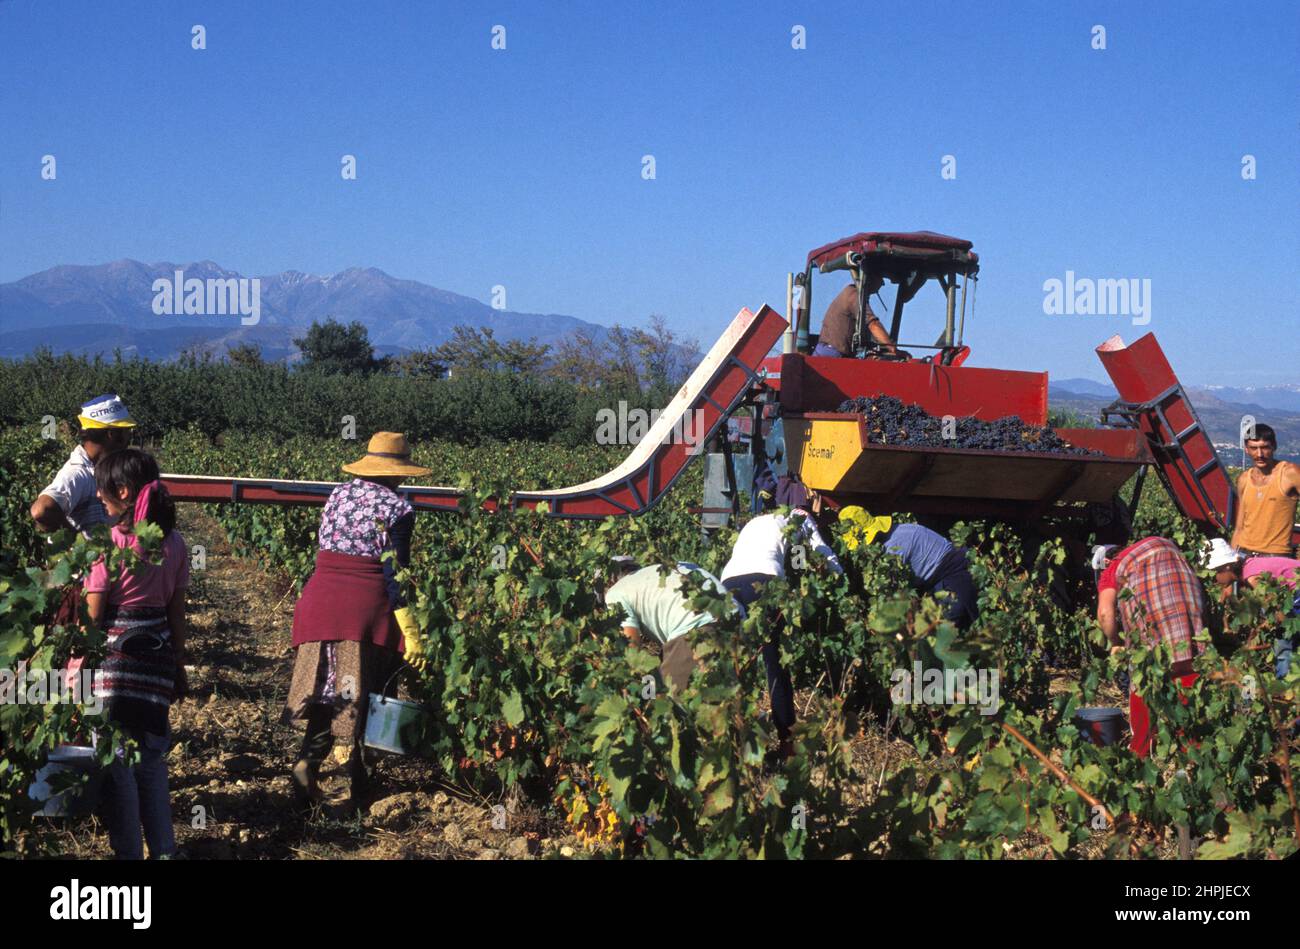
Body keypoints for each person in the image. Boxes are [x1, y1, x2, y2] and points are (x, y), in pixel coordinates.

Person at [284, 432, 428, 810]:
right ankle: (362, 788)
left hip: (319, 600)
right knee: (368, 692)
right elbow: (395, 574)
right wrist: (410, 631)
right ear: (398, 473)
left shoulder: (338, 494)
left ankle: (308, 764)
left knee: (328, 691)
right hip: (362, 608)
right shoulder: (399, 509)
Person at [84, 449, 188, 859]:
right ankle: (165, 851)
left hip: (116, 667)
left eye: (103, 488)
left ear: (123, 491)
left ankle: (128, 855)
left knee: (117, 767)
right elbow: (176, 615)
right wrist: (177, 665)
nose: (97, 495)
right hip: (157, 661)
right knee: (151, 763)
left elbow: (93, 620)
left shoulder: (107, 544)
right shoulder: (176, 544)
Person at [720, 480, 843, 750]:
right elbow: (822, 552)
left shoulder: (755, 522)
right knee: (774, 662)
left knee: (737, 662)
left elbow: (793, 555)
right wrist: (841, 580)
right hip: (764, 583)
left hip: (727, 584)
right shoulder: (798, 517)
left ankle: (736, 740)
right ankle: (787, 742)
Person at [1094, 538, 1204, 758]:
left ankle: (1142, 750)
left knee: (1143, 679)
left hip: (1154, 610)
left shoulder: (1113, 567)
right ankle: (1192, 748)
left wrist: (1115, 642)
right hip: (1187, 591)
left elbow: (1105, 613)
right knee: (1185, 668)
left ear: (1105, 560)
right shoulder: (1164, 548)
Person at [602, 558, 741, 692]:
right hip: (738, 621)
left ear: (609, 581)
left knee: (669, 703)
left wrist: (632, 686)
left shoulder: (615, 592)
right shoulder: (662, 571)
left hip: (697, 631)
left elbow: (632, 648)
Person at [839, 506, 979, 630]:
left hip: (953, 579)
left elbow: (897, 596)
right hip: (950, 574)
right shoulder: (901, 528)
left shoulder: (892, 551)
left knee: (928, 639)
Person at [31, 394, 135, 534]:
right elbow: (41, 510)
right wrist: (77, 541)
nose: (129, 437)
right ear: (111, 434)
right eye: (126, 431)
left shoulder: (100, 469)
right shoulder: (77, 474)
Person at [1204, 537, 1300, 677]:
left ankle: (1285, 683)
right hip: (1294, 590)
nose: (1213, 580)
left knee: (1283, 642)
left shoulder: (1252, 578)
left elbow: (1278, 613)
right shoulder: (1246, 565)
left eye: (1214, 574)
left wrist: (1265, 627)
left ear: (1227, 567)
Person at [1230, 423, 1300, 558]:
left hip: (1276, 557)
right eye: (1254, 448)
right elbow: (1239, 528)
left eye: (1265, 447)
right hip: (1244, 554)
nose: (1260, 454)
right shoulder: (1244, 480)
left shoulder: (1289, 474)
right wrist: (1233, 559)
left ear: (1274, 447)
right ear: (1246, 449)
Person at [812, 275, 898, 358]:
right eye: (881, 279)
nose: (882, 284)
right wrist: (892, 349)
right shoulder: (854, 295)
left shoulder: (852, 293)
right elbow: (874, 325)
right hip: (832, 355)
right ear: (871, 278)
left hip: (828, 352)